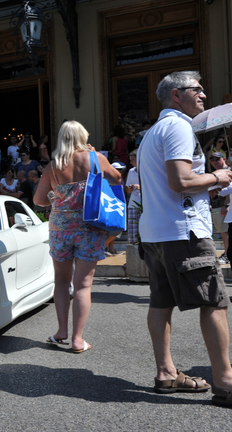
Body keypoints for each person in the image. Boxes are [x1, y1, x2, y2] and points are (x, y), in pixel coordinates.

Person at [138, 71, 232, 405]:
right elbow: (180, 181)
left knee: (161, 303)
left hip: (155, 232)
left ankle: (166, 374)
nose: (204, 94)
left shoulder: (151, 132)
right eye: (198, 89)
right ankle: (225, 382)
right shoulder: (179, 126)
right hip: (184, 231)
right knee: (215, 302)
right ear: (176, 95)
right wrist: (217, 176)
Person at [34, 120, 121, 354]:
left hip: (61, 229)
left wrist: (59, 199)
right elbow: (117, 179)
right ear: (83, 136)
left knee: (61, 281)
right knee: (83, 285)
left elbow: (38, 200)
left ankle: (61, 331)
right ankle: (77, 339)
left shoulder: (53, 166)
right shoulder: (95, 159)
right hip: (89, 228)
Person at [125, 150, 142, 244]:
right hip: (133, 204)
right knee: (133, 231)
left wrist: (141, 187)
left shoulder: (147, 170)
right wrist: (130, 189)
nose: (131, 162)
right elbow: (127, 189)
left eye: (133, 160)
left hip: (145, 204)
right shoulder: (131, 171)